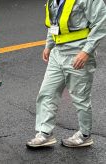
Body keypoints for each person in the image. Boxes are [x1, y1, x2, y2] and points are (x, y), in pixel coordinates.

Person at [26, 0, 106, 148]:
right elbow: (54, 22)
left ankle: (84, 135)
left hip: (78, 54)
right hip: (58, 53)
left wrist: (86, 51)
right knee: (47, 93)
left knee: (80, 98)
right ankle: (45, 133)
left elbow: (101, 23)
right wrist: (49, 45)